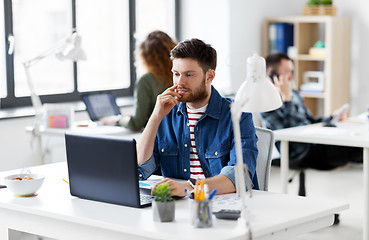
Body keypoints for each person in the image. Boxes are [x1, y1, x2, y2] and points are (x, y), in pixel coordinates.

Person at [136, 38, 259, 197]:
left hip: (222, 204)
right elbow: (141, 167)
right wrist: (155, 117)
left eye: (189, 75)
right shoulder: (166, 114)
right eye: (176, 74)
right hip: (178, 207)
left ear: (209, 76)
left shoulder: (238, 115)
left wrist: (189, 188)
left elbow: (239, 176)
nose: (180, 82)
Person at [260, 52, 362, 170]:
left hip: (314, 143)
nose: (291, 77)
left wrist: (331, 118)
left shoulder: (293, 93)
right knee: (355, 149)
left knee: (355, 146)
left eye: (292, 72)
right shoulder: (266, 99)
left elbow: (310, 120)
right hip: (299, 151)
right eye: (287, 72)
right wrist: (287, 99)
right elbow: (289, 131)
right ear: (271, 73)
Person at [100, 31, 178, 131]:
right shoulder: (181, 76)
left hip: (158, 139)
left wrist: (118, 120)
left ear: (145, 56)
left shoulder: (146, 80)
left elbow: (137, 123)